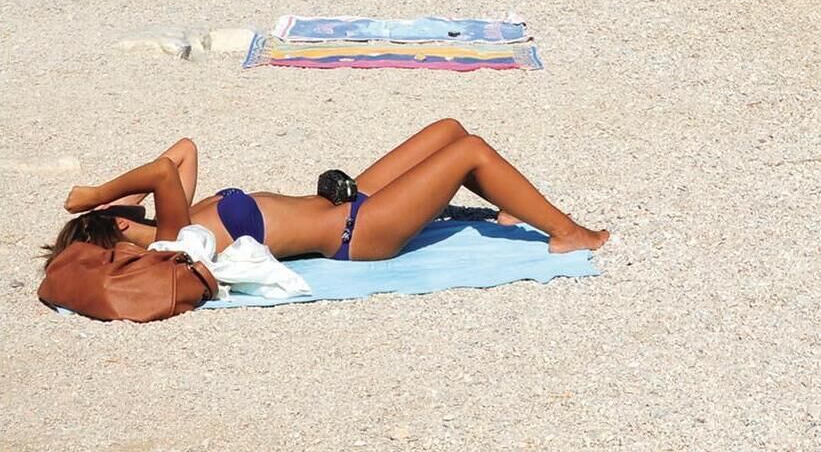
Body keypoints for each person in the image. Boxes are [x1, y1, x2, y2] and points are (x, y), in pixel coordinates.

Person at [46, 121, 608, 267]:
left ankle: (511, 202)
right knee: (472, 151)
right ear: (119, 225)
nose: (123, 203)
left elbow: (183, 150)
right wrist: (97, 191)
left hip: (350, 199)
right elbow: (161, 175)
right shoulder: (169, 240)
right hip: (357, 232)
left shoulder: (179, 219)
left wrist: (104, 202)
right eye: (116, 210)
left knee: (448, 130)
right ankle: (567, 234)